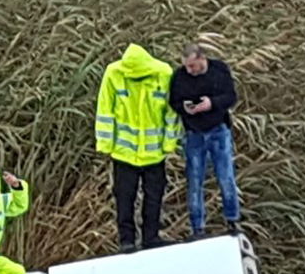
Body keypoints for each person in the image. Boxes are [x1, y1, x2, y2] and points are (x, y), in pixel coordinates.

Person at [95, 43, 182, 253]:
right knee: (124, 197)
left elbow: (172, 112)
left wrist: (169, 143)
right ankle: (127, 241)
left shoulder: (164, 73)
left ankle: (150, 237)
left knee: (154, 197)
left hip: (153, 153)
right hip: (124, 153)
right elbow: (105, 109)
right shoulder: (114, 73)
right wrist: (105, 144)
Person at [169, 43, 241, 239]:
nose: (189, 70)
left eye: (193, 66)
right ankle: (197, 227)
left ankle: (232, 220)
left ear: (202, 59)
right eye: (186, 66)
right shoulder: (179, 76)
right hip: (194, 133)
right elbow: (174, 102)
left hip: (218, 130)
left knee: (226, 177)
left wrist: (212, 104)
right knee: (195, 181)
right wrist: (185, 108)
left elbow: (231, 97)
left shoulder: (219, 69)